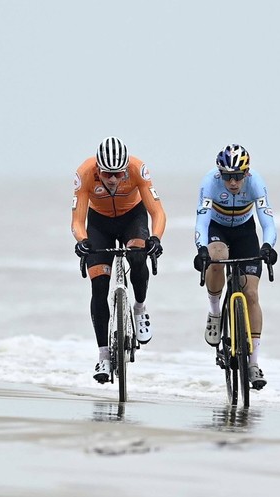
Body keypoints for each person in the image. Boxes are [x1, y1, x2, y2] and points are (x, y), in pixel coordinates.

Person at [71, 136, 167, 384]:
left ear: (125, 169)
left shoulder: (138, 169)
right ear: (98, 170)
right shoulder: (84, 173)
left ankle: (139, 309)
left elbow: (157, 211)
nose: (113, 179)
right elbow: (77, 221)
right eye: (107, 174)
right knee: (99, 285)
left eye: (118, 174)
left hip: (132, 219)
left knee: (137, 256)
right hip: (99, 224)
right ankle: (103, 355)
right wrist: (81, 240)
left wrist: (155, 237)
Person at [194, 143, 278, 390]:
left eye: (238, 176)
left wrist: (268, 246)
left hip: (244, 232)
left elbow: (268, 223)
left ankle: (253, 363)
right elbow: (201, 221)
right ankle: (215, 312)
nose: (233, 182)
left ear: (247, 174)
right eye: (228, 177)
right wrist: (201, 248)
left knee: (251, 293)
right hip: (217, 230)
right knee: (217, 257)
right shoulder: (210, 182)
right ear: (220, 174)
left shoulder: (256, 183)